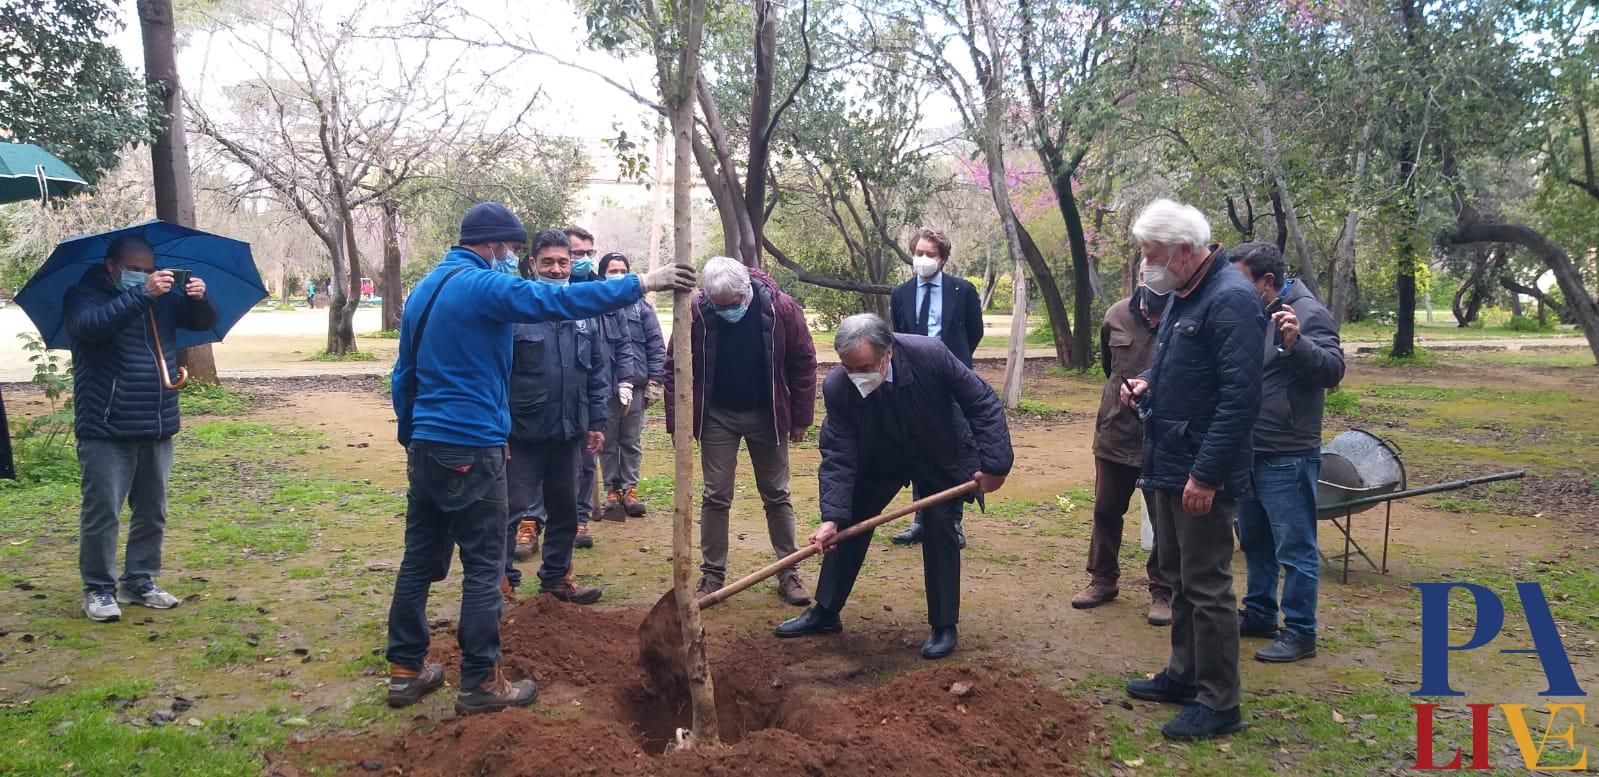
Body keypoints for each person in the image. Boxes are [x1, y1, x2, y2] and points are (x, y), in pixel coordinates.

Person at [383, 201, 694, 717]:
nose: (509, 257)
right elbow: (557, 302)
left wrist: (413, 435)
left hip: (428, 446)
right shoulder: (480, 285)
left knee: (418, 561)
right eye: (507, 249)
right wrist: (643, 282)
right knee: (485, 566)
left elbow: (404, 373)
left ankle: (404, 671)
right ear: (493, 246)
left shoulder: (424, 290)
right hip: (471, 444)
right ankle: (481, 681)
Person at [774, 314, 1012, 659]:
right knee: (850, 524)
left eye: (865, 366)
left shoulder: (930, 355)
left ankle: (944, 623)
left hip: (937, 450)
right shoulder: (839, 386)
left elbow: (982, 402)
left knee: (940, 526)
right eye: (848, 367)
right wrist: (832, 516)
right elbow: (838, 453)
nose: (856, 376)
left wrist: (995, 465)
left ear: (888, 353)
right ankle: (826, 611)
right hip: (881, 456)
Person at [1119, 199, 1263, 741]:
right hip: (1169, 461)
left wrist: (1205, 476)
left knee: (1207, 586)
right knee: (1179, 579)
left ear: (1183, 251)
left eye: (1151, 255)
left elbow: (1240, 400)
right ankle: (1183, 674)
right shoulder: (1187, 293)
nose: (1145, 264)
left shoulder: (1230, 299)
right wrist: (1151, 383)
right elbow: (1186, 366)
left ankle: (1220, 700)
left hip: (1200, 469)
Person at [64, 234, 218, 623]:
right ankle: (98, 588)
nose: (145, 276)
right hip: (106, 423)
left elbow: (202, 323)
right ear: (112, 266)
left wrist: (200, 298)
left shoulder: (162, 297)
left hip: (157, 418)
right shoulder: (84, 295)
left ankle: (140, 580)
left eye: (149, 270)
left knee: (152, 509)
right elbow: (90, 328)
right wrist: (142, 294)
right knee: (103, 511)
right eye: (135, 270)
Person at [665, 257, 816, 606]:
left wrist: (799, 417)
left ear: (746, 290)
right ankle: (712, 576)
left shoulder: (782, 309)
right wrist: (678, 422)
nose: (727, 311)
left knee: (777, 493)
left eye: (732, 305)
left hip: (768, 413)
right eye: (719, 306)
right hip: (717, 415)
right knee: (716, 495)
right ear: (706, 296)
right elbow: (675, 365)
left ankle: (789, 570)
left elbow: (803, 362)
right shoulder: (696, 311)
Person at [1229, 242, 1345, 663]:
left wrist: (1297, 344)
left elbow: (1334, 370)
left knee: (1294, 548)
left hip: (1288, 451)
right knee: (1255, 539)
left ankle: (1300, 631)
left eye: (1240, 281)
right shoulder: (1253, 311)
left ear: (1267, 282)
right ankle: (1259, 612)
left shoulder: (1310, 313)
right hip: (1250, 448)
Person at [502, 230, 613, 607]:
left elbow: (598, 371)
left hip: (570, 433)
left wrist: (597, 423)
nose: (556, 269)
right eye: (547, 262)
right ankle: (501, 583)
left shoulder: (583, 310)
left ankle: (556, 578)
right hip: (521, 434)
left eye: (563, 262)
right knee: (509, 511)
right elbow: (497, 375)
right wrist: (497, 430)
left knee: (566, 510)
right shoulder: (514, 311)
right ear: (532, 264)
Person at [1073, 274, 1174, 625]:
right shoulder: (1115, 315)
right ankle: (1102, 579)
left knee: (1164, 521)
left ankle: (1163, 591)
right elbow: (1109, 369)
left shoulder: (1184, 314)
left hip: (1163, 437)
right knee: (1105, 510)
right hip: (1116, 430)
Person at [887, 228, 983, 547]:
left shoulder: (963, 290)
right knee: (919, 446)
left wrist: (952, 363)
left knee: (955, 447)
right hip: (914, 382)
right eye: (919, 253)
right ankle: (921, 518)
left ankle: (953, 521)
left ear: (942, 259)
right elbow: (899, 336)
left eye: (930, 254)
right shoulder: (900, 293)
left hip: (953, 379)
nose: (923, 259)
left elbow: (974, 332)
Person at [597, 252, 666, 518]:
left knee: (631, 440)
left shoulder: (641, 307)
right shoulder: (597, 304)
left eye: (623, 270)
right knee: (607, 441)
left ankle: (630, 489)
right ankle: (611, 490)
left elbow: (655, 345)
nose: (618, 275)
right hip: (604, 388)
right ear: (602, 274)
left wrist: (655, 380)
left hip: (635, 386)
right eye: (612, 270)